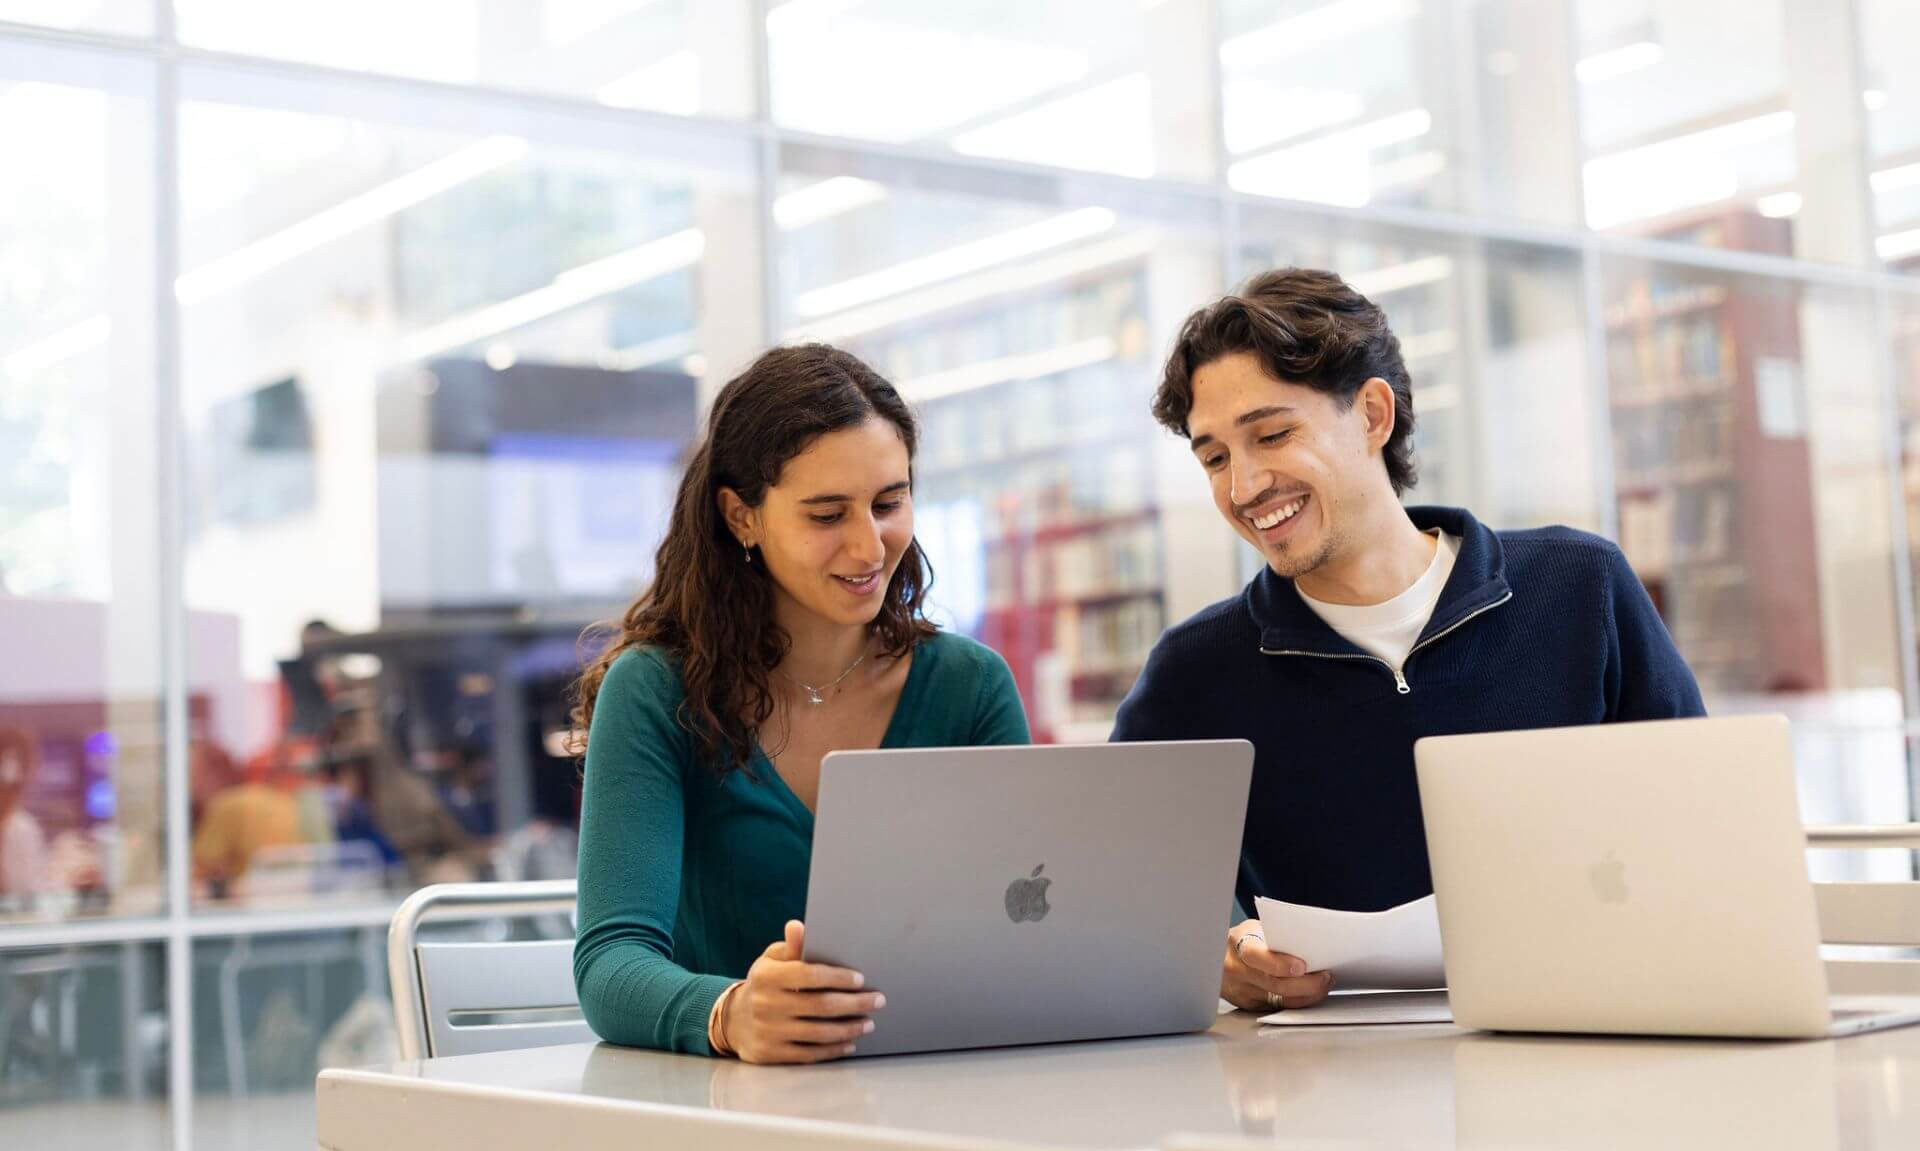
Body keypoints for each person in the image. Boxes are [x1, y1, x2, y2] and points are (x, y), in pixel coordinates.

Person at [1112, 268, 1705, 1015]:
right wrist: (1221, 949)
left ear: (1372, 415)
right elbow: (1116, 896)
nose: (1244, 485)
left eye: (1272, 434)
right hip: (1324, 1093)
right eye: (1215, 458)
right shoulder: (1192, 672)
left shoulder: (1581, 588)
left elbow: (1703, 831)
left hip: (1588, 1037)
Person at [572, 344, 1030, 1064]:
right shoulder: (655, 690)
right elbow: (610, 963)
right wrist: (728, 1013)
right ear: (741, 516)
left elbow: (1028, 926)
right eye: (826, 514)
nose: (868, 544)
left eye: (889, 502)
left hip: (938, 1094)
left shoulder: (970, 685)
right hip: (729, 1116)